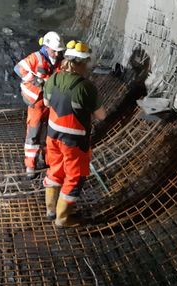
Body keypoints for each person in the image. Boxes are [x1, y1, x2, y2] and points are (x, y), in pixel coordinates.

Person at [42, 40, 107, 228]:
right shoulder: (85, 87)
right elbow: (101, 116)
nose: (87, 67)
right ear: (80, 64)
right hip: (73, 141)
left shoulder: (54, 78)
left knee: (55, 169)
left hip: (52, 135)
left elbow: (47, 104)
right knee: (74, 177)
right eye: (86, 63)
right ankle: (62, 219)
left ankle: (51, 210)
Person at [14, 31, 65, 178]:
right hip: (36, 102)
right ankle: (30, 166)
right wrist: (36, 80)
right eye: (54, 50)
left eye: (58, 51)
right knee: (33, 134)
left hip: (51, 102)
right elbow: (18, 69)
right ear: (47, 47)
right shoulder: (36, 57)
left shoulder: (59, 60)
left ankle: (47, 159)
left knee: (51, 132)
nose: (56, 53)